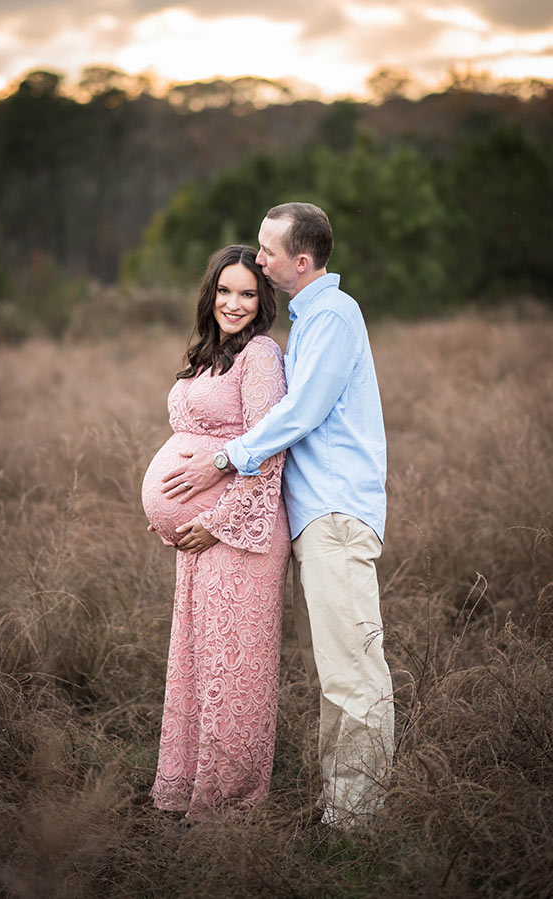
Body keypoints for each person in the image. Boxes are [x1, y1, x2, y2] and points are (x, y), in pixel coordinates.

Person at [161, 203, 395, 829]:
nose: (258, 261)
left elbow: (301, 413)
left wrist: (222, 460)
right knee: (335, 671)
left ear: (300, 259)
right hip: (312, 517)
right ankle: (339, 805)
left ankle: (357, 821)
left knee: (353, 670)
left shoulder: (334, 317)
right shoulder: (310, 319)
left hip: (336, 511)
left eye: (266, 253)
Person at [142, 245, 291, 817]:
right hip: (200, 537)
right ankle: (188, 785)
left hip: (239, 531)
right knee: (198, 661)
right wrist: (176, 519)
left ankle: (228, 803)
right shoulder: (210, 354)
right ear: (211, 295)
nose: (234, 303)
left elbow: (269, 449)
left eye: (248, 293)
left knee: (234, 668)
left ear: (263, 300)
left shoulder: (259, 355)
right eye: (225, 291)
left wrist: (216, 519)